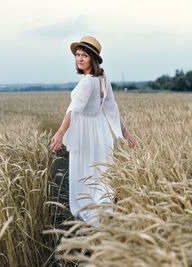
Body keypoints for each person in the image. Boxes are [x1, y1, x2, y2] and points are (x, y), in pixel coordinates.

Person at [50, 36, 136, 226]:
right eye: (77, 55)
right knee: (100, 173)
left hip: (85, 134)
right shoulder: (103, 79)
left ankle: (88, 214)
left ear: (93, 59)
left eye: (84, 55)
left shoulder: (88, 82)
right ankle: (103, 212)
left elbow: (74, 109)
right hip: (101, 132)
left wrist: (60, 132)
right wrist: (124, 132)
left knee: (84, 174)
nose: (79, 59)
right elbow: (111, 109)